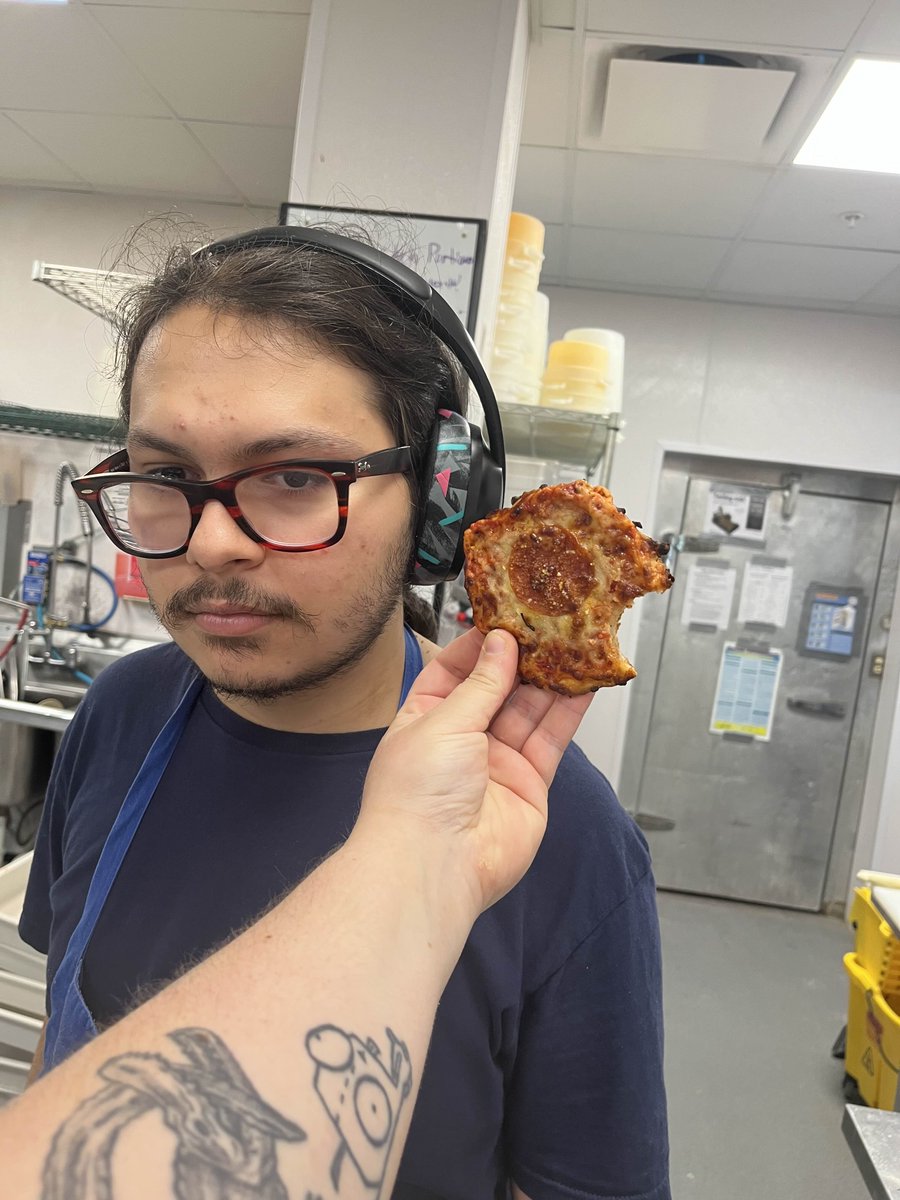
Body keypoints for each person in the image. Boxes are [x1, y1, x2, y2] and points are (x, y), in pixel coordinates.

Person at [20, 227, 670, 1200]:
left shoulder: (557, 830)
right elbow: (61, 1062)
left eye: (294, 479)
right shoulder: (121, 714)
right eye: (164, 478)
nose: (212, 546)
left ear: (438, 505)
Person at [2, 626, 592, 1200]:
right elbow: (59, 1026)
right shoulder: (123, 706)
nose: (210, 543)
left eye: (293, 516)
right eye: (170, 516)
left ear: (430, 526)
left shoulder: (540, 809)